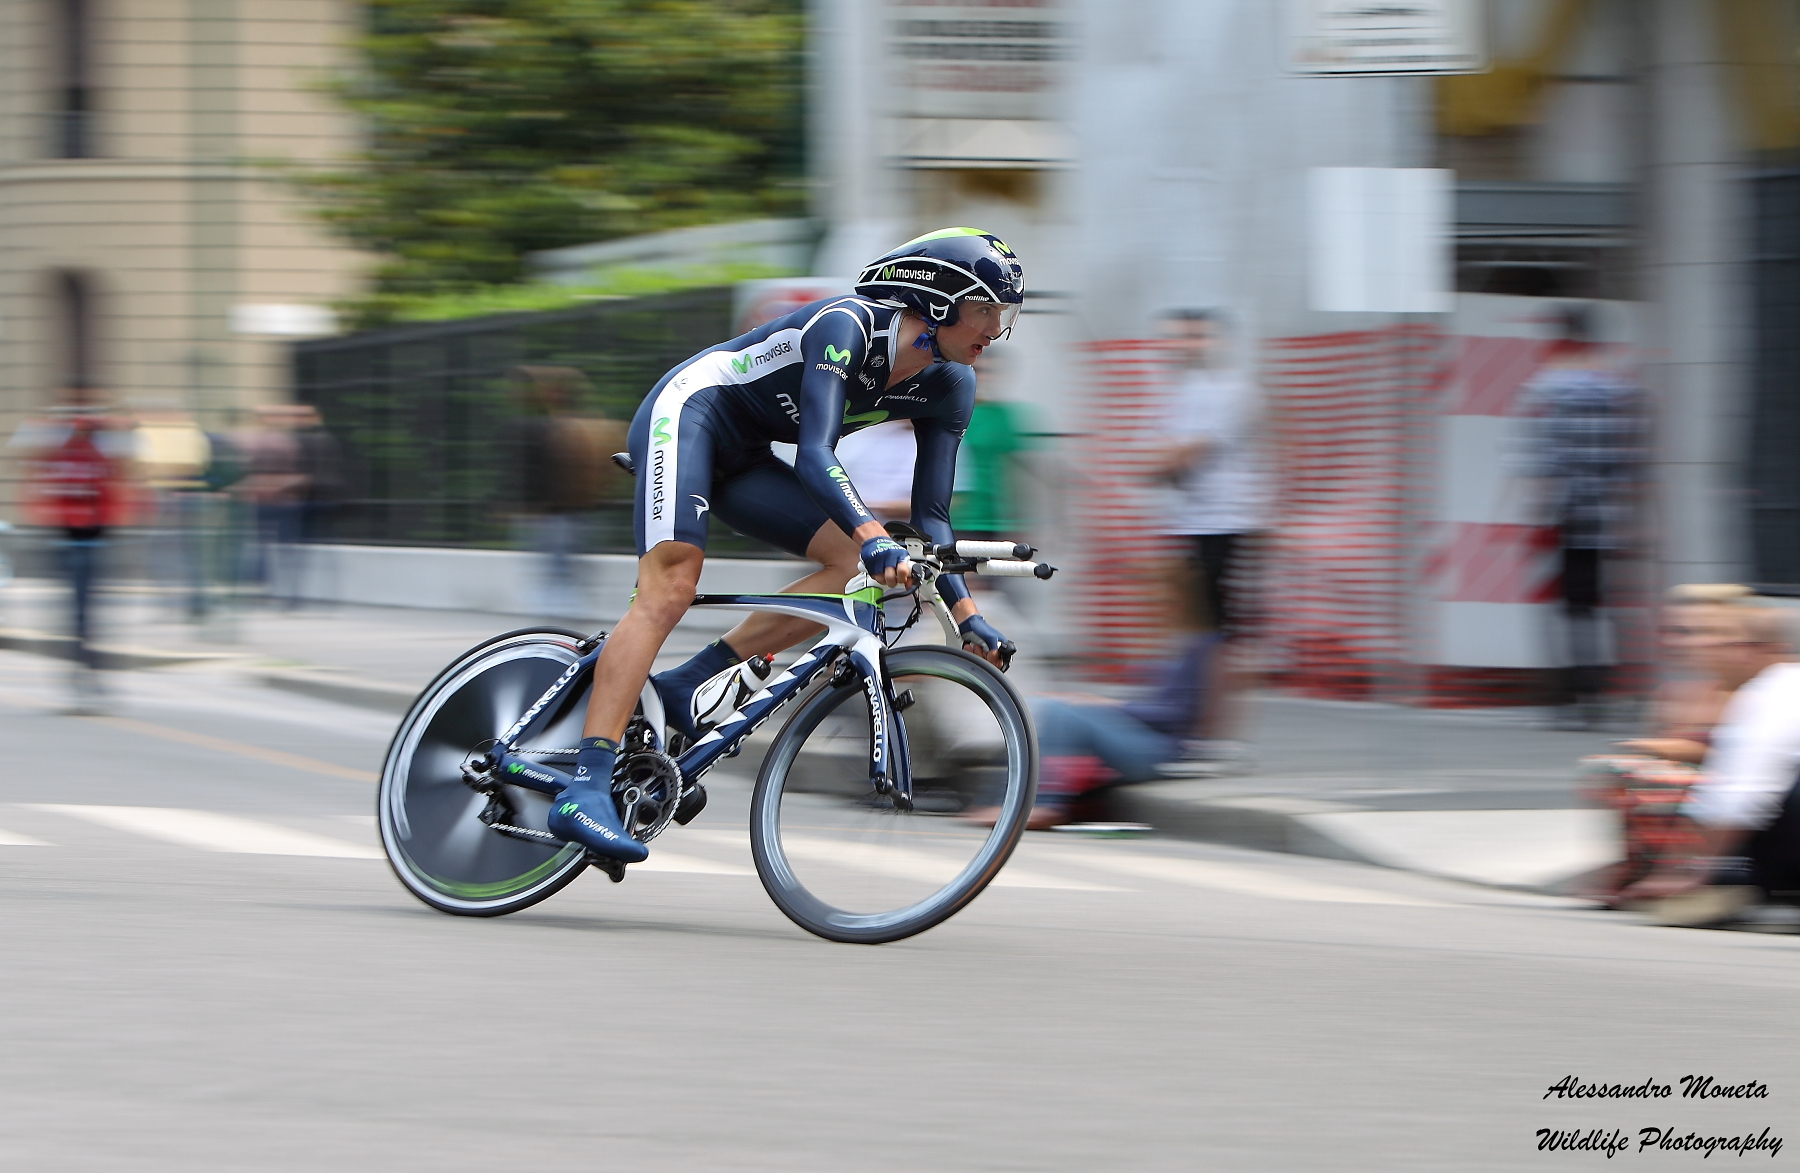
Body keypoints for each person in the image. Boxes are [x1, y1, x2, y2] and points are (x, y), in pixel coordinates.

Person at [552, 229, 1024, 863]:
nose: (996, 328)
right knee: (671, 585)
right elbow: (815, 454)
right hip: (692, 412)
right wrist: (876, 538)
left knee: (852, 567)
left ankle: (686, 685)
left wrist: (967, 618)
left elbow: (931, 515)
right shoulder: (846, 327)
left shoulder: (951, 386)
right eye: (987, 309)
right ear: (940, 302)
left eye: (1005, 314)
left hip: (743, 454)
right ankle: (584, 786)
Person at [1620, 606, 1800, 926]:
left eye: (1724, 642)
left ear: (1758, 649)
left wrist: (1686, 873)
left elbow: (1741, 794)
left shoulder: (1776, 690)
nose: (1704, 649)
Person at [1519, 304, 1648, 728]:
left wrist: (1537, 512)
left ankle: (1571, 695)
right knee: (1603, 604)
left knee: (1570, 607)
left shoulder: (1549, 386)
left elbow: (1544, 459)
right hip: (1610, 514)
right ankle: (1603, 690)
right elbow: (1631, 457)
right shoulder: (1617, 388)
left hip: (1568, 513)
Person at [1580, 584, 1750, 903]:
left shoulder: (1749, 691)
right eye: (1674, 631)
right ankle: (1642, 866)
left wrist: (1665, 751)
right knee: (1615, 772)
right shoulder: (1673, 693)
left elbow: (1746, 759)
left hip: (1735, 794)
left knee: (1638, 774)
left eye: (1694, 632)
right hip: (1699, 793)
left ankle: (1677, 870)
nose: (1678, 642)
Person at [1150, 309, 1266, 760]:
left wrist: (1163, 462)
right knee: (1194, 631)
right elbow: (1157, 457)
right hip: (1189, 525)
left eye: (1196, 336)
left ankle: (1218, 735)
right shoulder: (1175, 394)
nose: (1185, 345)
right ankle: (1192, 728)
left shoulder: (1234, 391)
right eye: (1179, 337)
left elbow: (1182, 455)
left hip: (1228, 524)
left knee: (1223, 636)